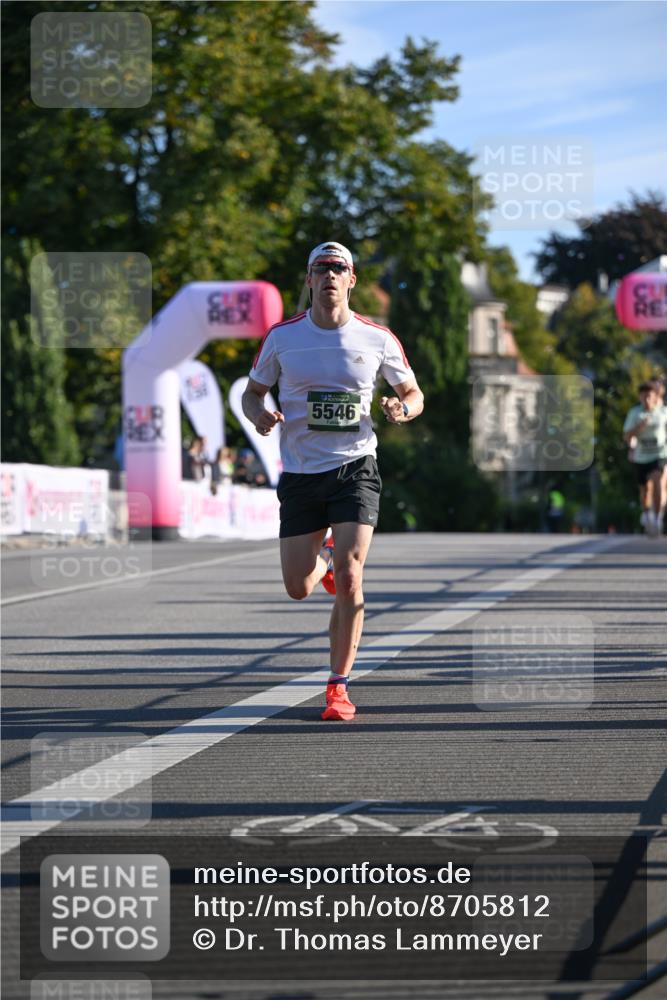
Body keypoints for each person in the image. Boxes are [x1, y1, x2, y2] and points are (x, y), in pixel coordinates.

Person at [242, 241, 424, 721]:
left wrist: (401, 408)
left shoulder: (377, 337)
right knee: (297, 587)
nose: (329, 276)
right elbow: (251, 392)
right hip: (302, 473)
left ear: (351, 279)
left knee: (352, 573)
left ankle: (338, 686)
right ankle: (320, 563)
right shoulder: (283, 337)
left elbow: (413, 391)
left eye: (338, 268)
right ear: (308, 280)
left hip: (355, 468)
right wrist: (260, 415)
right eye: (320, 268)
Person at [623, 380, 667, 536]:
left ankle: (657, 518)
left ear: (656, 397)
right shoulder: (635, 413)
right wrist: (638, 427)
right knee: (645, 490)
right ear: (640, 398)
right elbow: (626, 437)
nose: (647, 400)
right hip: (641, 457)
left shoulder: (663, 413)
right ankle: (647, 514)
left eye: (650, 396)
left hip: (660, 454)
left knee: (658, 482)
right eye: (644, 397)